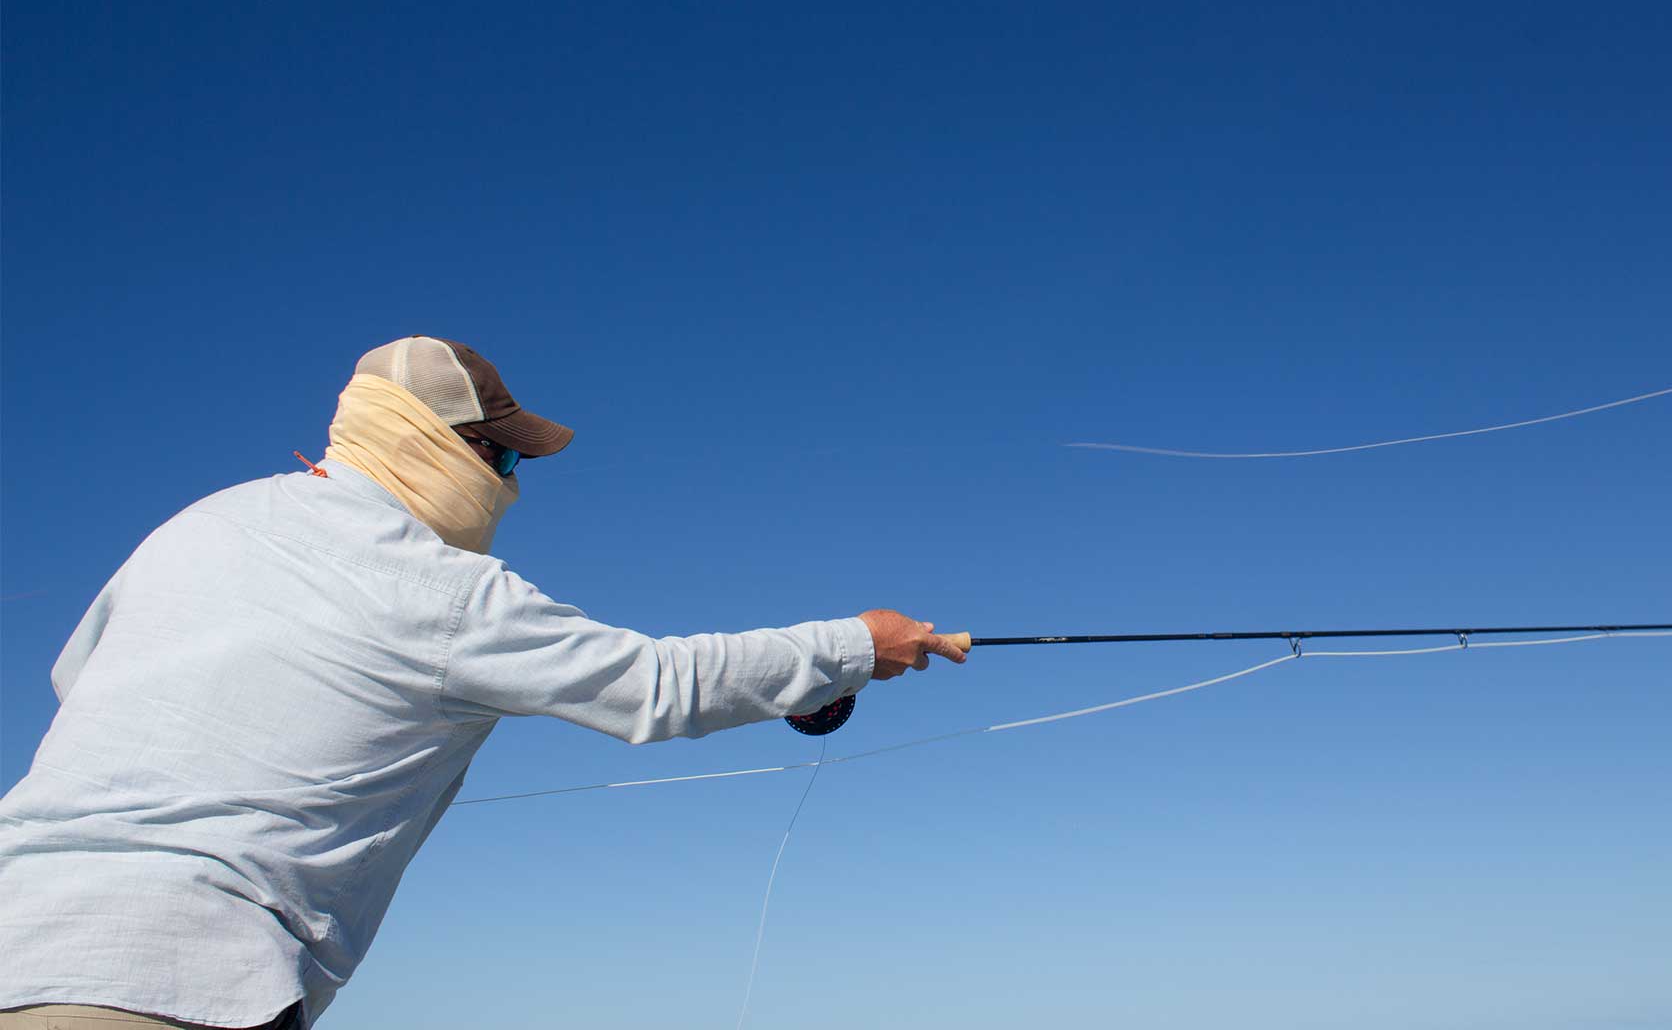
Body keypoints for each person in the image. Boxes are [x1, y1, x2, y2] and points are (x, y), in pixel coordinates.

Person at [0, 336, 967, 1029]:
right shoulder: (431, 584)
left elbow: (75, 680)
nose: (511, 480)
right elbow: (656, 686)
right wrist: (856, 643)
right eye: (498, 453)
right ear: (417, 437)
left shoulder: (197, 524)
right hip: (167, 983)